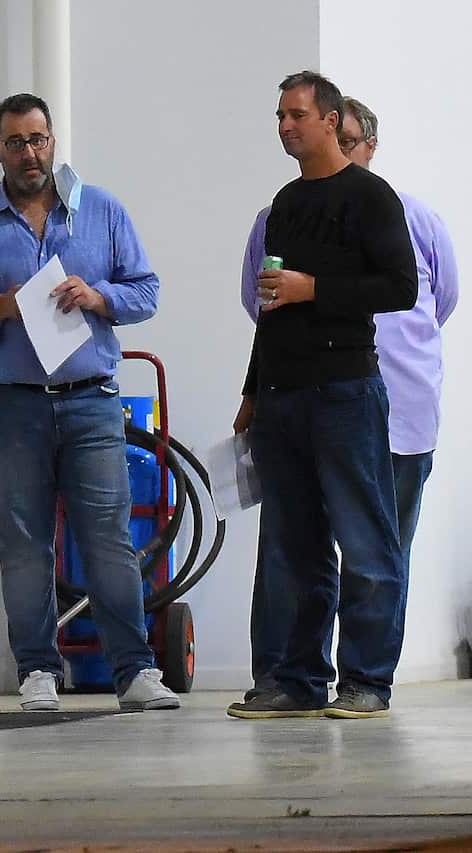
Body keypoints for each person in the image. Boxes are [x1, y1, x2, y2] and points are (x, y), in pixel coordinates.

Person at [0, 92, 180, 713]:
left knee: (109, 539)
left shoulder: (102, 212)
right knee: (23, 541)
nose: (29, 153)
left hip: (91, 401)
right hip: (8, 404)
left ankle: (135, 672)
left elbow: (147, 291)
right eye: (15, 142)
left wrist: (98, 297)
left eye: (38, 139)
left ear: (53, 141)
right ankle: (38, 671)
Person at [228, 72, 418, 720]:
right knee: (292, 547)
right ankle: (297, 681)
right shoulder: (284, 203)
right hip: (283, 396)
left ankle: (367, 681)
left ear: (332, 121)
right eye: (279, 115)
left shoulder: (370, 197)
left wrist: (318, 290)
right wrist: (253, 390)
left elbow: (402, 287)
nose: (285, 126)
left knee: (366, 542)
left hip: (344, 392)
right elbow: (271, 302)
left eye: (297, 115)